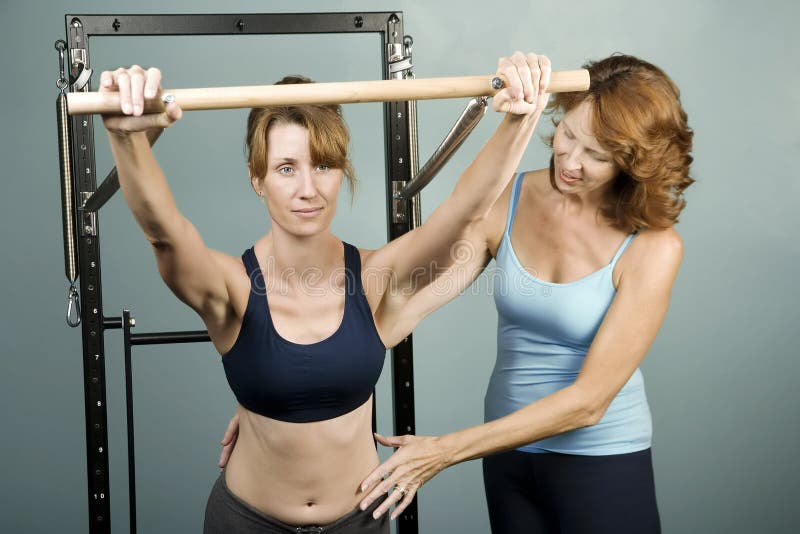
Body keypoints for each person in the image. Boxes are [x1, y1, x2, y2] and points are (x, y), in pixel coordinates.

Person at [221, 53, 694, 533]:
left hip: (601, 458)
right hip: (507, 457)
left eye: (596, 154)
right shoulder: (510, 200)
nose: (570, 161)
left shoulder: (654, 246)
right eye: (568, 135)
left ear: (635, 161)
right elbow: (395, 307)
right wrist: (278, 400)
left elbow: (589, 402)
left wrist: (446, 450)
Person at [100, 51, 552, 533]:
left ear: (341, 172)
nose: (308, 189)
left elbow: (461, 214)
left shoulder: (377, 278)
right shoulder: (231, 288)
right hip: (246, 522)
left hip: (358, 521)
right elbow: (165, 234)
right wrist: (125, 137)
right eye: (287, 168)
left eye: (323, 166)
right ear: (258, 179)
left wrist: (522, 113)